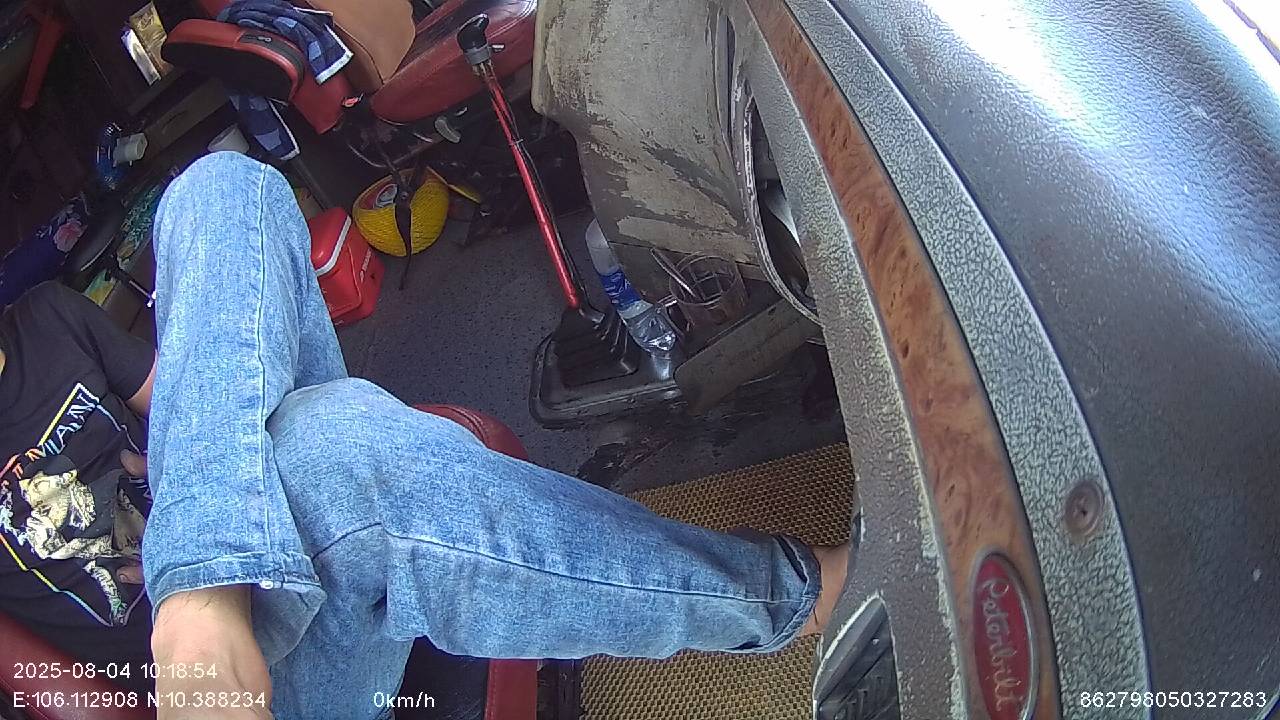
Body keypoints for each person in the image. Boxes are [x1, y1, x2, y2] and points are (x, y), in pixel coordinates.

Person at [138, 151, 849, 719]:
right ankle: (788, 598)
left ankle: (200, 592)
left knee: (221, 188)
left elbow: (189, 387)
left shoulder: (70, 337)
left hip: (196, 538)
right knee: (335, 463)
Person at [0, 280, 156, 693]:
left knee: (308, 428)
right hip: (167, 672)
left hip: (228, 547)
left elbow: (199, 415)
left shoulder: (49, 316)